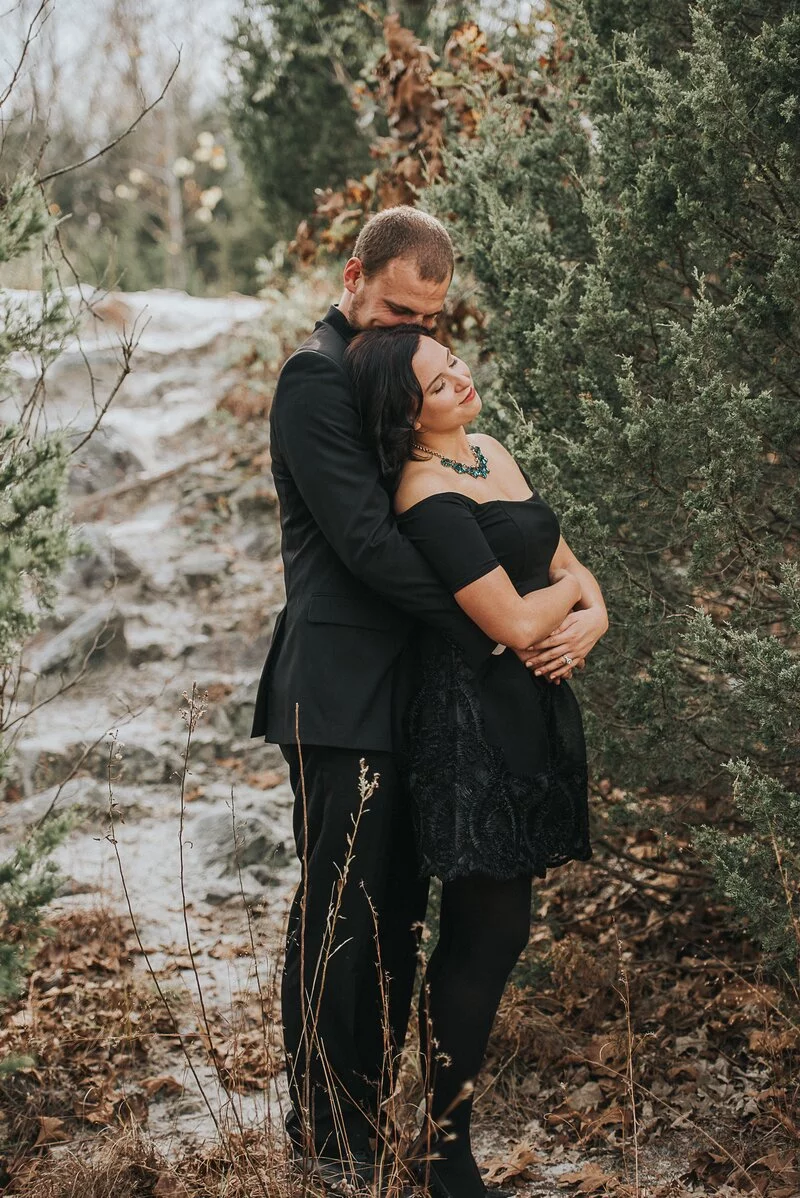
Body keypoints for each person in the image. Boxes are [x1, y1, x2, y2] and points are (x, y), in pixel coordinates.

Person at [249, 206, 605, 1196]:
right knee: (341, 912)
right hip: (339, 684)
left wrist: (570, 599)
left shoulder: (392, 373)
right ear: (354, 274)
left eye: (425, 319)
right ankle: (325, 1131)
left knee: (399, 909)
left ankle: (377, 1120)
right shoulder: (316, 375)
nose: (402, 332)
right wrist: (491, 620)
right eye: (393, 309)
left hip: (413, 693)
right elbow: (367, 543)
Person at [343, 321, 608, 1198]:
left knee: (501, 932)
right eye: (434, 379)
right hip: (470, 728)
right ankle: (442, 1151)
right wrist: (574, 601)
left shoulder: (488, 448)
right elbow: (519, 623)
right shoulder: (423, 492)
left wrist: (594, 613)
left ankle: (439, 1139)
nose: (458, 377)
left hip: (528, 709)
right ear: (402, 410)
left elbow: (568, 567)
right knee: (480, 935)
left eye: (453, 361)